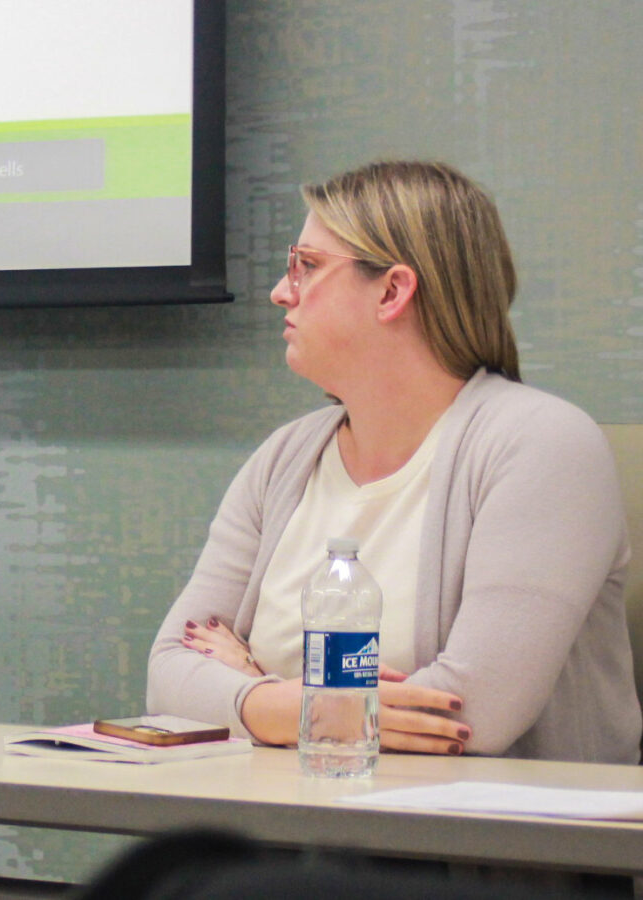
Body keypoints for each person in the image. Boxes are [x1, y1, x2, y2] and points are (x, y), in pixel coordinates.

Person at [147, 160, 641, 764]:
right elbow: (170, 674)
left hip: (468, 849)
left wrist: (256, 691)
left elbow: (473, 715)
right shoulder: (284, 457)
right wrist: (308, 707)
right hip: (287, 833)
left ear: (392, 291)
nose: (282, 291)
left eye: (307, 266)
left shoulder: (544, 444)